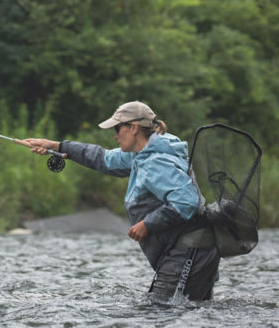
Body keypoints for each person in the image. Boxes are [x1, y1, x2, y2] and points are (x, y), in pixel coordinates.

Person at [24, 101, 220, 301]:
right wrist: (57, 146)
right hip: (190, 251)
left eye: (118, 128)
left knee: (161, 312)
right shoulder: (141, 155)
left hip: (189, 252)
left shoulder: (157, 161)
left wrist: (147, 224)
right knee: (183, 311)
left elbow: (187, 201)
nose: (115, 135)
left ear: (133, 128)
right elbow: (102, 158)